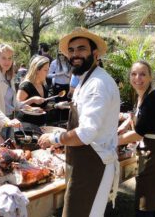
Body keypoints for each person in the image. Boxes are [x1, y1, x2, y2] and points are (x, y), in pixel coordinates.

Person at [38, 27, 120, 216]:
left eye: (81, 49)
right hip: (84, 163)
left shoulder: (97, 84)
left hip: (93, 166)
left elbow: (85, 134)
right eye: (72, 50)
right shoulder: (85, 79)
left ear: (95, 54)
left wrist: (55, 138)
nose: (75, 54)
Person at [118, 61, 155, 217]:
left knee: (145, 207)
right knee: (154, 206)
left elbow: (139, 133)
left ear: (150, 77)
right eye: (134, 74)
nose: (138, 78)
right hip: (153, 155)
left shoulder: (154, 98)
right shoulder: (143, 97)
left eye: (143, 74)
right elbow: (140, 119)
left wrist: (110, 141)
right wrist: (125, 124)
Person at [16, 55, 49, 126]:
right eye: (45, 70)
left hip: (41, 125)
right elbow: (17, 106)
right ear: (37, 70)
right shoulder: (26, 86)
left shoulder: (44, 85)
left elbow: (43, 107)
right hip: (26, 126)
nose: (48, 73)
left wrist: (56, 106)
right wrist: (32, 100)